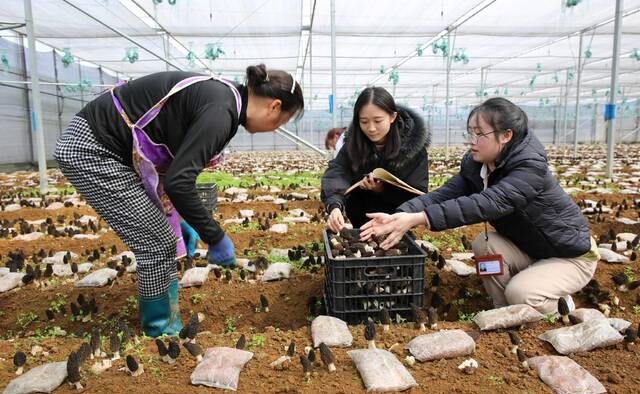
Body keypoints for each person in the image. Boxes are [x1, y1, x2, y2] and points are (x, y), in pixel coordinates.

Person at [54, 64, 304, 337]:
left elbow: (173, 166)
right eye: (282, 121)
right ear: (274, 106)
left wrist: (180, 218)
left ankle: (166, 319)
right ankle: (160, 331)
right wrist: (215, 236)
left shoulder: (223, 99)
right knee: (156, 241)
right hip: (92, 149)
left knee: (162, 236)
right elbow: (178, 181)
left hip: (108, 147)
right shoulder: (222, 112)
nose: (275, 128)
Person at [360, 97, 599, 314]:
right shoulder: (477, 165)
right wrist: (400, 215)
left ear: (506, 135)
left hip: (569, 254)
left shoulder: (529, 168)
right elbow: (442, 195)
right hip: (531, 249)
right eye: (470, 133)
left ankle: (559, 305)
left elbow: (486, 203)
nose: (472, 142)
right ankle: (503, 309)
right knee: (485, 243)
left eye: (479, 135)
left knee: (521, 293)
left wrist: (419, 219)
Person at [321, 86, 430, 231]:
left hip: (396, 221)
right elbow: (337, 172)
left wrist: (382, 189)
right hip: (360, 219)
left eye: (378, 121)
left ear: (392, 117)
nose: (371, 128)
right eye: (364, 122)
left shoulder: (413, 150)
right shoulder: (353, 144)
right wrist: (335, 206)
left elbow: (417, 193)